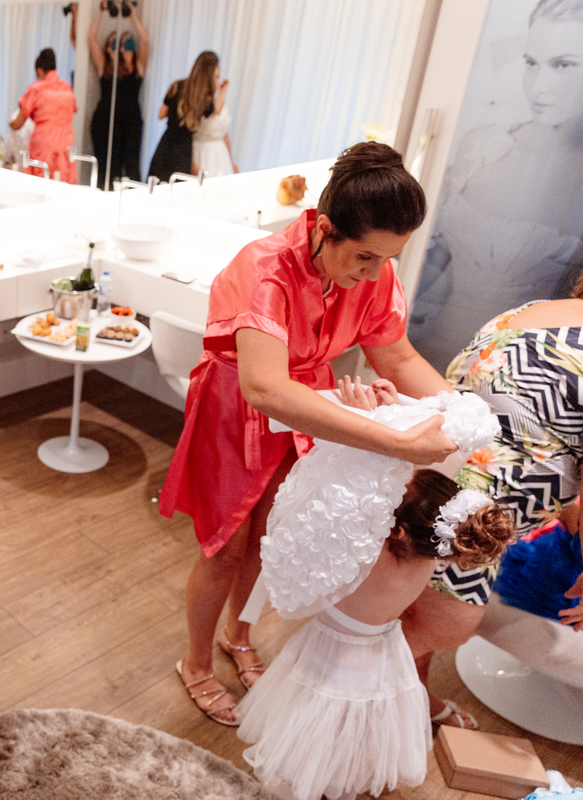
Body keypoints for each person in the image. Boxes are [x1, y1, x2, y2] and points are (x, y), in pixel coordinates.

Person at [158, 142, 458, 726]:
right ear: (324, 228)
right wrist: (396, 442)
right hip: (235, 407)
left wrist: (459, 411)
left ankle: (237, 636)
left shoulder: (373, 271)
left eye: (387, 259)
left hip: (309, 405)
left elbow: (394, 355)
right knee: (226, 548)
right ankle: (195, 662)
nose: (373, 273)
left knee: (273, 537)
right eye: (365, 258)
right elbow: (265, 388)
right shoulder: (264, 267)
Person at [238, 469, 512, 800]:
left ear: (395, 529)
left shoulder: (369, 557)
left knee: (318, 716)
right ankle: (344, 773)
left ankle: (304, 780)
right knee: (358, 722)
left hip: (335, 650)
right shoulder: (429, 560)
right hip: (382, 650)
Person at [400, 290, 583, 729]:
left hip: (422, 470)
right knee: (445, 623)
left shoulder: (534, 310)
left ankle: (408, 698)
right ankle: (347, 703)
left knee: (411, 604)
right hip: (475, 509)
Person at [408, 0, 583, 372]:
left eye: (564, 65)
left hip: (520, 374)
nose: (539, 86)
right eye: (531, 63)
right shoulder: (481, 146)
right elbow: (436, 258)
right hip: (428, 348)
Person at [87, 1, 148, 187]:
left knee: (130, 163)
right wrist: (101, 12)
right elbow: (91, 38)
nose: (124, 47)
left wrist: (132, 16)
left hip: (130, 121)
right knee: (105, 164)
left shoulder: (137, 67)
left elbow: (145, 40)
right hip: (106, 119)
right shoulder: (105, 66)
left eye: (128, 43)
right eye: (116, 43)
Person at [8, 49, 76, 183]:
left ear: (39, 70)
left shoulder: (36, 88)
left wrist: (10, 122)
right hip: (65, 144)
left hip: (44, 145)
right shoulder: (67, 88)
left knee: (40, 185)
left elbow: (17, 124)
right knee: (62, 185)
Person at [186, 51, 237, 177]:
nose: (217, 81)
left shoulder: (219, 101)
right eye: (215, 77)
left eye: (219, 76)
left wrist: (231, 161)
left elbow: (225, 134)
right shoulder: (198, 103)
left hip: (220, 156)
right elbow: (187, 136)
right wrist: (192, 163)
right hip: (202, 155)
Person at [147, 77, 193, 183]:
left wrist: (173, 112)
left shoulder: (176, 85)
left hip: (167, 142)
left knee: (159, 182)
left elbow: (161, 114)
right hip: (183, 147)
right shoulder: (200, 94)